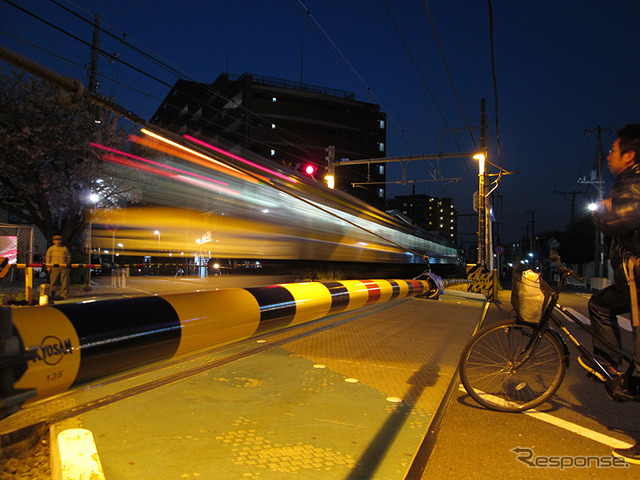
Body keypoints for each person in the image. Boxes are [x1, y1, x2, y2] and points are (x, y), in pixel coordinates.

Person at [583, 124, 640, 464]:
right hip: (630, 277)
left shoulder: (634, 181)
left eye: (613, 150)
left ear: (629, 155)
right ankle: (612, 370)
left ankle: (614, 370)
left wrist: (602, 211)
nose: (608, 155)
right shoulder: (629, 180)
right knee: (600, 305)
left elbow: (623, 218)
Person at [46, 234, 71, 300]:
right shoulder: (51, 249)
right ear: (53, 241)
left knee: (64, 282)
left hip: (63, 266)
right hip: (54, 266)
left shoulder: (64, 248)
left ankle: (64, 295)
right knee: (53, 281)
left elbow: (68, 257)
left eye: (59, 240)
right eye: (56, 240)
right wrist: (48, 266)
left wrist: (66, 264)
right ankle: (52, 295)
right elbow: (48, 257)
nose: (58, 241)